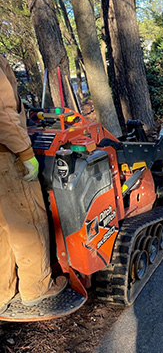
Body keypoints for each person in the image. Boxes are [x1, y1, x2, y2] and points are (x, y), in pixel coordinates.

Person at [0, 54, 67, 314]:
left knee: (3, 227)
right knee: (28, 219)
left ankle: (4, 291)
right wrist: (25, 152)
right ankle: (36, 288)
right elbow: (2, 113)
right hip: (6, 155)